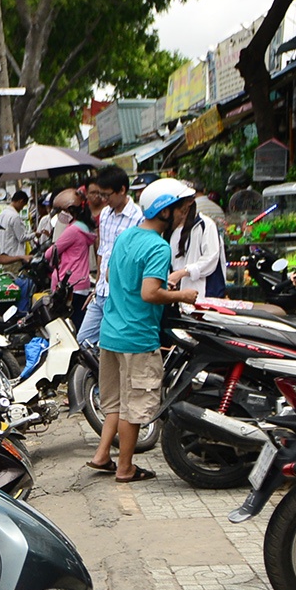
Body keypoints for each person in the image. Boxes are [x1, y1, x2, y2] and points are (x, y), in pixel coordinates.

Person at [87, 177, 202, 483]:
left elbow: (110, 275)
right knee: (134, 406)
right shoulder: (158, 247)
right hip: (137, 337)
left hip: (110, 332)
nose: (183, 215)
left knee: (114, 401)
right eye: (180, 209)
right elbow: (150, 293)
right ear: (165, 212)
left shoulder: (126, 237)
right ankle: (125, 468)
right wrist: (181, 295)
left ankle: (102, 455)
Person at [79, 165, 140, 348]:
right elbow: (102, 252)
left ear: (122, 190)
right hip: (101, 292)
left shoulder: (138, 218)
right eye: (100, 195)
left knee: (113, 345)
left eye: (107, 195)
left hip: (120, 295)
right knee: (83, 342)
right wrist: (97, 286)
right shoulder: (105, 214)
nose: (103, 200)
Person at [167, 187, 226, 299]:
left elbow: (210, 258)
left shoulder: (205, 225)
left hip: (203, 295)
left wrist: (182, 273)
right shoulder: (171, 229)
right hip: (178, 296)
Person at [45, 189, 96, 316]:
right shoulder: (85, 228)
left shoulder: (73, 230)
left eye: (63, 211)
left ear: (71, 211)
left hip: (69, 284)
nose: (61, 214)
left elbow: (50, 253)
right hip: (82, 282)